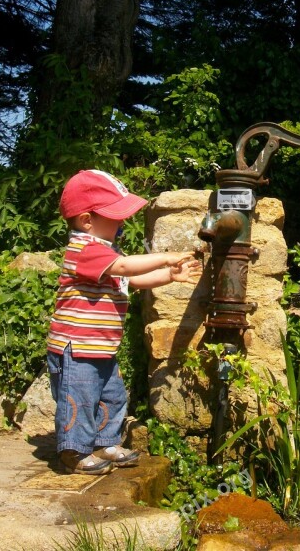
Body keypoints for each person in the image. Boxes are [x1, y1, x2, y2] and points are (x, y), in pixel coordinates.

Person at [46, 169, 202, 475]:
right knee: (79, 399)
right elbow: (127, 266)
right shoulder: (83, 250)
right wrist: (167, 257)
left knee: (112, 396)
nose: (121, 221)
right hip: (76, 348)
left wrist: (170, 275)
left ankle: (105, 443)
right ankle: (74, 452)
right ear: (86, 221)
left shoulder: (106, 252)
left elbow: (135, 278)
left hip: (101, 347)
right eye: (114, 216)